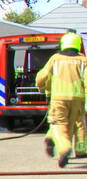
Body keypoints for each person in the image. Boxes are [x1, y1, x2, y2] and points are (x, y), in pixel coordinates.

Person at [36, 32, 86, 168]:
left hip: (59, 98)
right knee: (74, 125)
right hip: (78, 99)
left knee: (58, 124)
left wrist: (42, 88)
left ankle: (64, 149)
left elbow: (42, 76)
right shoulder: (83, 60)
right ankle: (75, 148)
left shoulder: (55, 59)